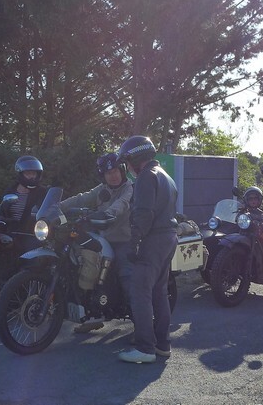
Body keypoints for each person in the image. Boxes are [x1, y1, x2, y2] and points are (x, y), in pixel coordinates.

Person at [115, 136, 178, 364]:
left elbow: (144, 213)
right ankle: (162, 345)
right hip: (169, 237)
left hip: (153, 239)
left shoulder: (145, 177)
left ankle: (145, 348)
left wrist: (134, 242)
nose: (127, 167)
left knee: (140, 292)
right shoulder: (166, 177)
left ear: (135, 158)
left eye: (127, 161)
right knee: (159, 292)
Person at [59, 153, 133, 333]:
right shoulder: (102, 189)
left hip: (124, 240)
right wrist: (58, 206)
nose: (113, 176)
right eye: (108, 173)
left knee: (126, 274)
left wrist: (108, 213)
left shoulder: (129, 188)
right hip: (104, 238)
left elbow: (122, 204)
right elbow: (82, 198)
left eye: (115, 171)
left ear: (122, 171)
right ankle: (93, 313)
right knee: (83, 265)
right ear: (103, 176)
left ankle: (139, 320)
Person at [1, 155, 49, 252]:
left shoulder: (42, 192)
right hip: (10, 233)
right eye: (28, 173)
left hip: (30, 235)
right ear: (20, 173)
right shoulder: (10, 191)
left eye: (34, 173)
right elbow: (2, 212)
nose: (31, 176)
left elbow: (47, 211)